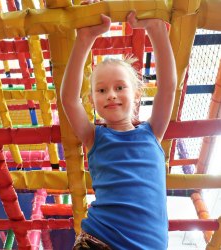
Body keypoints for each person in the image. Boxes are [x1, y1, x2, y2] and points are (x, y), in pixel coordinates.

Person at [60, 1, 177, 249]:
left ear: (136, 94)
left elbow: (168, 87)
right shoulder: (95, 137)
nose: (111, 94)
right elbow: (68, 99)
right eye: (102, 90)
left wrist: (156, 30)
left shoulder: (152, 131)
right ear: (92, 101)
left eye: (120, 87)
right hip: (100, 240)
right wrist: (84, 39)